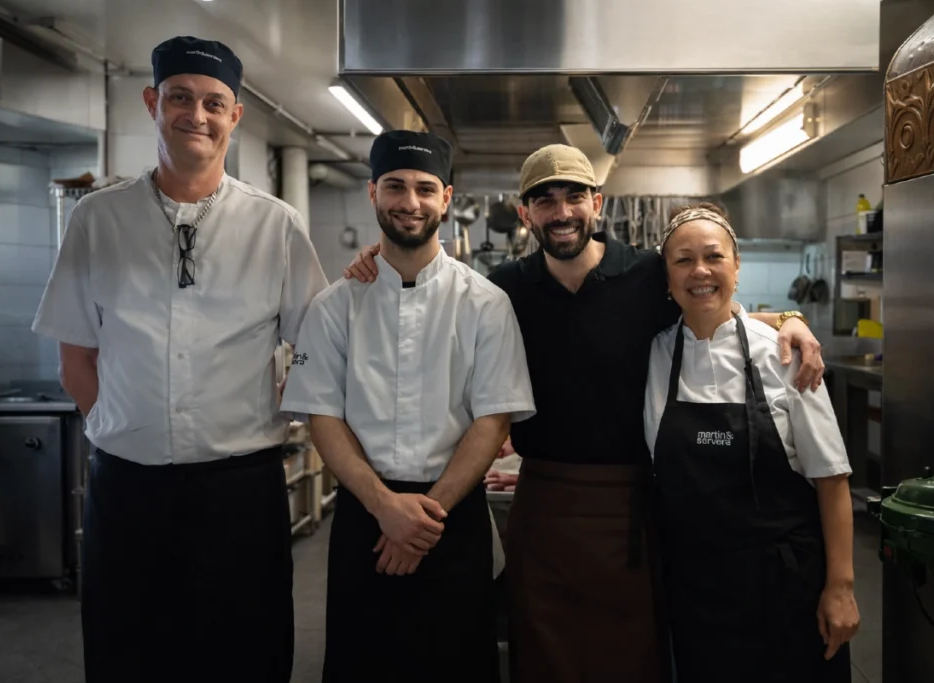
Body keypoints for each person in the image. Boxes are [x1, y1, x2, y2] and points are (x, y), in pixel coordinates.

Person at [342, 143, 826, 683]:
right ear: (525, 214)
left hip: (632, 505)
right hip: (543, 503)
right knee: (544, 656)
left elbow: (713, 304)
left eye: (574, 197)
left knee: (629, 659)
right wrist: (379, 258)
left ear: (597, 203)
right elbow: (427, 290)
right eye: (544, 201)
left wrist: (789, 319)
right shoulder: (504, 288)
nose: (562, 212)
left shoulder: (647, 276)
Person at [31, 36, 328, 683]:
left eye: (214, 103)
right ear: (152, 102)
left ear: (235, 115)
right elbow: (76, 357)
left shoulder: (275, 226)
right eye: (180, 98)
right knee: (128, 654)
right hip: (128, 490)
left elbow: (319, 344)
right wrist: (122, 428)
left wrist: (287, 405)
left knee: (246, 656)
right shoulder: (98, 220)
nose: (197, 115)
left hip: (240, 492)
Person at [280, 129, 535, 683]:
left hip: (453, 518)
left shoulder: (486, 303)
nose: (410, 202)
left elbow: (493, 419)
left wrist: (423, 519)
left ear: (446, 198)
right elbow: (323, 416)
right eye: (395, 186)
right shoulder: (334, 307)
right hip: (365, 518)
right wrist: (385, 507)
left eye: (424, 188)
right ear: (373, 192)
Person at [645, 203, 859, 682]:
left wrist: (841, 588)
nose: (700, 271)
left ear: (737, 266)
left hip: (784, 585)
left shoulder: (785, 354)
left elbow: (832, 478)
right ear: (667, 276)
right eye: (683, 260)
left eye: (714, 256)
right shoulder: (654, 354)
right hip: (696, 590)